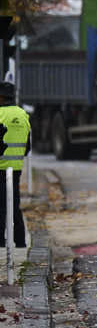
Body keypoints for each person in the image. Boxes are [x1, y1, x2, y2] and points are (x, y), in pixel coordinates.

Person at [0, 81, 28, 247]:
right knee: (14, 205)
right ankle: (20, 241)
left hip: (0, 167)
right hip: (15, 168)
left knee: (1, 207)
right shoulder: (23, 114)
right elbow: (28, 146)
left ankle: (1, 244)